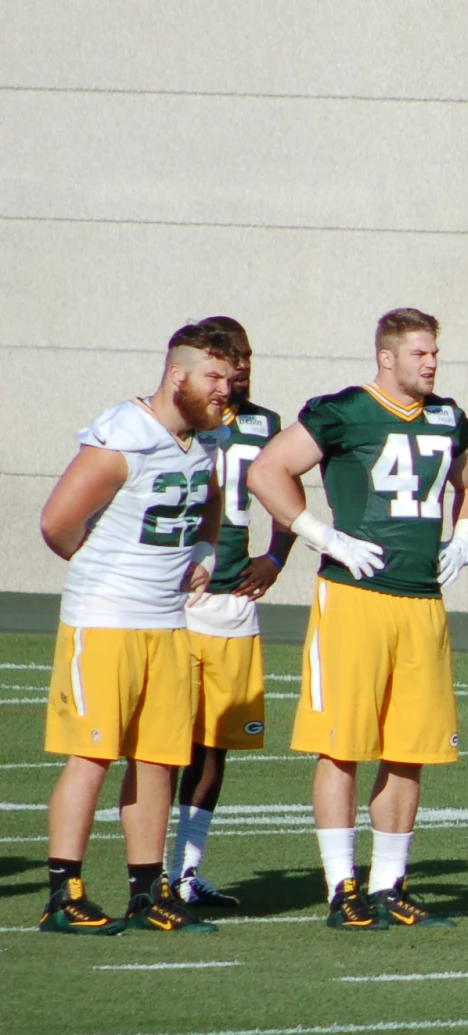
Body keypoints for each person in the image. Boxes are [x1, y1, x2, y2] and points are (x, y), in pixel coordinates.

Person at [246, 307, 468, 930]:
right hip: (354, 596)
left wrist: (463, 536)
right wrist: (321, 535)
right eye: (420, 353)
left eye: (435, 352)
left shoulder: (447, 416)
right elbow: (267, 470)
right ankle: (340, 889)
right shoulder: (346, 410)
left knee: (410, 749)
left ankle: (389, 885)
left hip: (419, 601)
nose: (431, 362)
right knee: (341, 745)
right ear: (387, 356)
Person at [38, 321, 238, 934]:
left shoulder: (200, 441)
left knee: (158, 760)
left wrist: (204, 549)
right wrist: (104, 569)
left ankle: (147, 893)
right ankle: (63, 893)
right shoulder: (125, 433)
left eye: (230, 380)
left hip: (166, 623)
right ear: (177, 375)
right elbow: (56, 523)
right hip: (105, 621)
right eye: (213, 377)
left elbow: (210, 497)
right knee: (92, 756)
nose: (223, 391)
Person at [173, 316, 296, 910]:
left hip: (232, 602)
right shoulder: (176, 421)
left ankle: (186, 873)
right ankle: (149, 875)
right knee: (162, 744)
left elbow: (287, 489)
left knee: (215, 746)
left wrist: (276, 554)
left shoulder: (266, 425)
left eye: (245, 357)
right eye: (227, 361)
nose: (240, 370)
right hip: (177, 601)